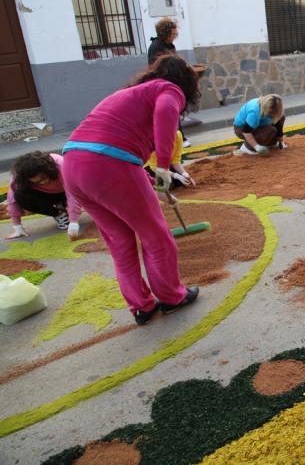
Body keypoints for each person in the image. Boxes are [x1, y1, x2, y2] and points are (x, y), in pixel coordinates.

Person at [61, 54, 200, 326]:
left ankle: (141, 306)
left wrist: (150, 183)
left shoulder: (132, 93)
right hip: (108, 165)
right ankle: (172, 297)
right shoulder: (168, 89)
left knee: (119, 242)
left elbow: (123, 154)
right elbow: (164, 116)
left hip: (73, 165)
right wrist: (162, 177)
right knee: (155, 237)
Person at [5, 152, 82, 240]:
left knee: (83, 185)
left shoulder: (59, 164)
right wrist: (17, 227)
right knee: (20, 195)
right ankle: (59, 213)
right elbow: (12, 199)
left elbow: (72, 193)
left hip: (66, 191)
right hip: (46, 195)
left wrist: (73, 221)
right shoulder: (19, 175)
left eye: (44, 178)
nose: (43, 182)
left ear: (49, 170)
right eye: (37, 182)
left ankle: (64, 204)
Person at [147, 17, 191, 148]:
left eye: (175, 34)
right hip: (161, 84)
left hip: (172, 82)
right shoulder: (156, 47)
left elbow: (174, 62)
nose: (174, 37)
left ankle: (178, 138)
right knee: (169, 111)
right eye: (172, 34)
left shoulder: (170, 45)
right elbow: (155, 67)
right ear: (164, 33)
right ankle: (177, 139)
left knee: (175, 110)